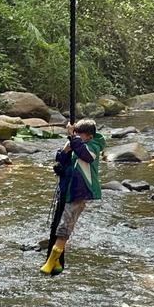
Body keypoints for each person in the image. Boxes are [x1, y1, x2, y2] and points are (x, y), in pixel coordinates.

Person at [40, 118, 106, 275]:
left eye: (80, 134)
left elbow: (86, 156)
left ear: (89, 136)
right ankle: (56, 262)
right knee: (57, 223)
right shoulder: (76, 143)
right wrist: (64, 151)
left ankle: (51, 262)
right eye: (76, 133)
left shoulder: (93, 147)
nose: (77, 136)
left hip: (79, 192)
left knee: (65, 226)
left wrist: (74, 139)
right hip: (66, 190)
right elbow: (62, 159)